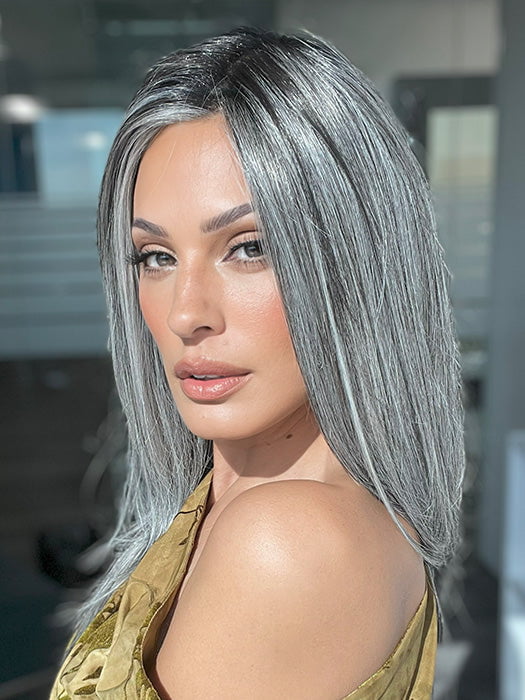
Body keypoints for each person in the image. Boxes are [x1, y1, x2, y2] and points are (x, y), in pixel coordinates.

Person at [50, 27, 465, 699]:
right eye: (156, 257)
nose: (186, 313)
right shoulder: (261, 504)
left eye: (249, 247)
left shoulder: (284, 542)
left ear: (354, 264)